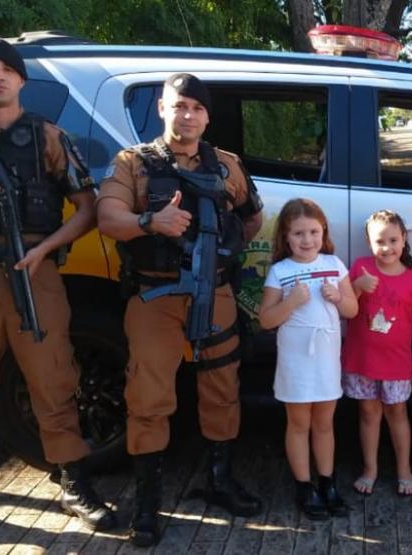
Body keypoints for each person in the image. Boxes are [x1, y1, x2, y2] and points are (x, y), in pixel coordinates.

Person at [0, 37, 116, 544]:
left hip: (36, 272)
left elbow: (88, 208)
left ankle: (72, 480)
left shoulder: (48, 136)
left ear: (21, 80)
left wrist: (47, 249)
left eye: (7, 69)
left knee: (54, 377)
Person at [96, 73, 264, 546]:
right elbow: (108, 218)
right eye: (178, 105)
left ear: (207, 116)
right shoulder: (133, 163)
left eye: (196, 107)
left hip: (215, 292)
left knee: (222, 388)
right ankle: (147, 500)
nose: (187, 115)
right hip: (157, 294)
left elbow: (251, 217)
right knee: (147, 397)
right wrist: (151, 221)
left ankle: (219, 479)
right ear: (162, 109)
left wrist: (222, 252)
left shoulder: (227, 166)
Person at [257, 198, 358, 519]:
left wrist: (338, 297)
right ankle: (304, 486)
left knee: (324, 423)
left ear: (323, 231)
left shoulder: (334, 264)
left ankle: (327, 482)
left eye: (314, 232)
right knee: (299, 423)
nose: (307, 240)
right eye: (298, 233)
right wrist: (291, 303)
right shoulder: (281, 271)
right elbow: (266, 319)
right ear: (285, 236)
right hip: (296, 361)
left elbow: (352, 310)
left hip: (326, 360)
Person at [341, 210, 412, 497]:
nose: (387, 247)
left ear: (404, 239)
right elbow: (344, 307)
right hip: (362, 360)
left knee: (397, 412)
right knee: (368, 413)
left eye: (393, 240)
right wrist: (357, 286)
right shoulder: (361, 267)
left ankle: (404, 470)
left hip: (397, 363)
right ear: (369, 242)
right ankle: (370, 469)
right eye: (380, 241)